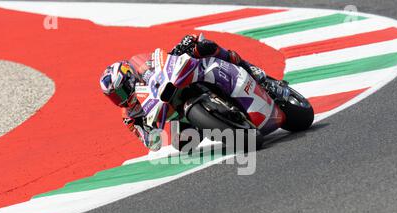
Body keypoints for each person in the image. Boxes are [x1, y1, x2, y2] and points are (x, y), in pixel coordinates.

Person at [99, 34, 288, 149]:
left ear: (129, 77)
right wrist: (152, 134)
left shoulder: (143, 67)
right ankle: (216, 123)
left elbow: (163, 60)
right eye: (115, 97)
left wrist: (182, 48)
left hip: (179, 81)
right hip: (178, 116)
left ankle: (254, 73)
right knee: (182, 145)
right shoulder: (130, 115)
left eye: (121, 92)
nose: (121, 99)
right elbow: (149, 141)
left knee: (202, 46)